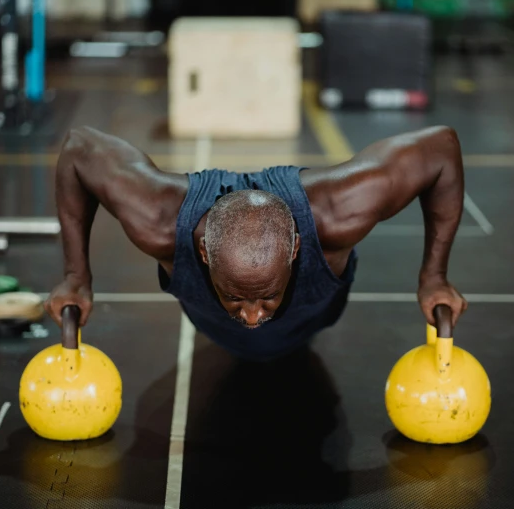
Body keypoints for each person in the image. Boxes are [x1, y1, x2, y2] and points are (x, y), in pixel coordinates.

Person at [45, 125, 468, 361]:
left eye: (265, 298)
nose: (250, 316)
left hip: (314, 320)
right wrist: (75, 276)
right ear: (206, 254)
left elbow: (441, 147)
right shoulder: (158, 222)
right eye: (235, 297)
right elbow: (79, 146)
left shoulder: (338, 215)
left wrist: (434, 276)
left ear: (295, 249)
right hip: (215, 327)